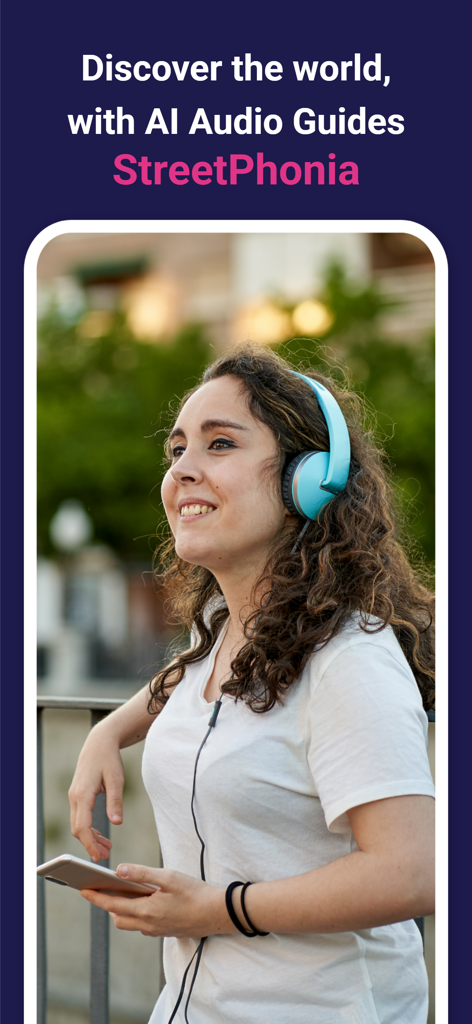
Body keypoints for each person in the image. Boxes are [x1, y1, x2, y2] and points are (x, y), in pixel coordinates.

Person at [69, 344, 435, 1024]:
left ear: (309, 479)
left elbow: (412, 872)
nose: (183, 469)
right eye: (177, 450)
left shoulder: (350, 659)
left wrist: (218, 910)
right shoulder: (220, 632)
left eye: (220, 444)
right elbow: (187, 681)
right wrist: (109, 731)